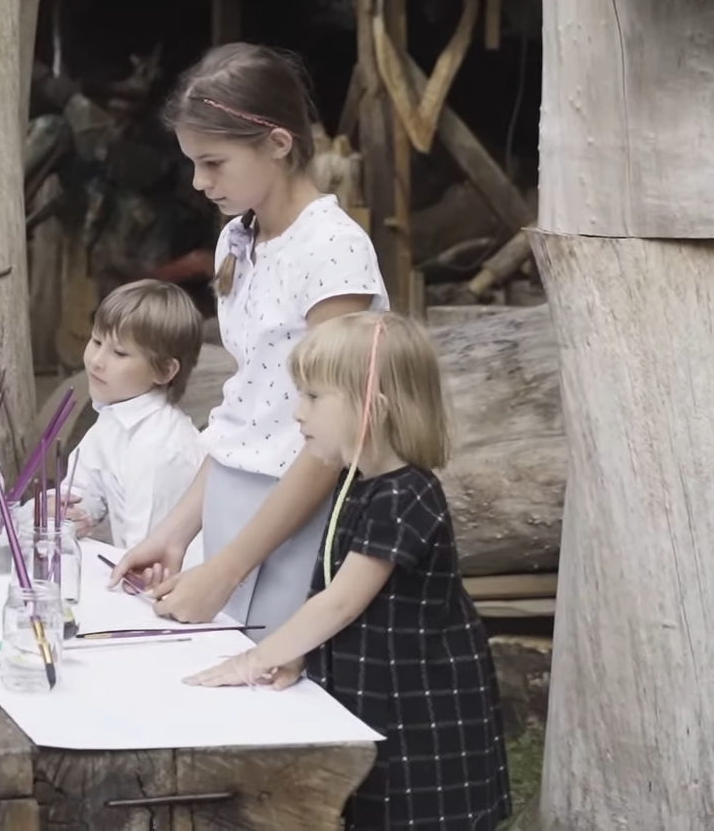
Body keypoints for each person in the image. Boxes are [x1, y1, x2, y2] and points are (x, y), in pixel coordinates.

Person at [187, 311, 510, 829]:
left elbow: (340, 600)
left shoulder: (405, 495)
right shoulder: (358, 485)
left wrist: (259, 657)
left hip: (418, 707)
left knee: (415, 814)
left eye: (313, 398)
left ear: (373, 410)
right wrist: (301, 657)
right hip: (374, 687)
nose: (298, 414)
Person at [109, 43, 385, 636]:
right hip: (234, 501)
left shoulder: (332, 251)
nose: (198, 181)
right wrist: (177, 533)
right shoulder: (238, 237)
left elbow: (332, 434)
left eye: (214, 163)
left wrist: (227, 570)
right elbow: (248, 411)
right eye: (191, 162)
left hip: (303, 508)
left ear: (279, 144)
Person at [48, 279, 205, 558]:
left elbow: (146, 550)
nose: (97, 360)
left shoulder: (160, 447)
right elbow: (81, 490)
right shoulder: (113, 419)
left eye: (119, 353)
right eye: (96, 341)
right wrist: (69, 511)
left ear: (165, 371)